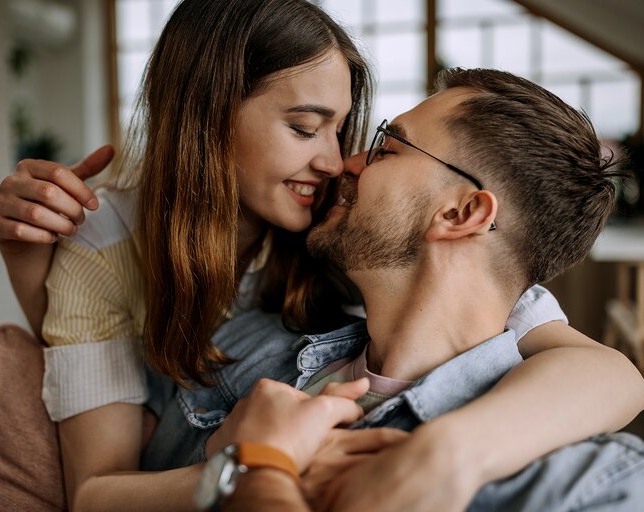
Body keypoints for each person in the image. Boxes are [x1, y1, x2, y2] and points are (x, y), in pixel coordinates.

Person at [0, 0, 643, 508]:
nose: (337, 162)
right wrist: (245, 464)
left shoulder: (573, 474)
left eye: (375, 143)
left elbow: (605, 370)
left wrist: (445, 455)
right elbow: (99, 487)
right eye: (304, 128)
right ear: (210, 114)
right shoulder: (239, 345)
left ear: (461, 213)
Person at [203, 68, 644, 511]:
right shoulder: (239, 350)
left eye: (388, 148)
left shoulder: (584, 488)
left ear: (460, 213)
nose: (346, 164)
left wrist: (258, 468)